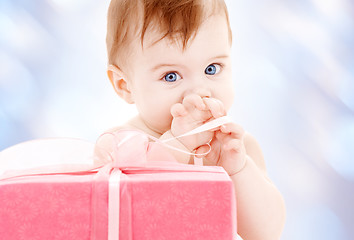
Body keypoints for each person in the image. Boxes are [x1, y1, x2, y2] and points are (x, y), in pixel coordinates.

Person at [95, 0, 286, 239]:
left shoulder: (239, 147)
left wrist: (238, 170)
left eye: (212, 69)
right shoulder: (119, 145)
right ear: (125, 85)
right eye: (171, 76)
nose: (199, 92)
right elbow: (134, 214)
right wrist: (178, 145)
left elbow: (265, 233)